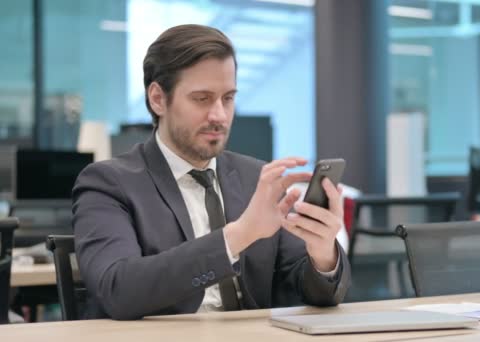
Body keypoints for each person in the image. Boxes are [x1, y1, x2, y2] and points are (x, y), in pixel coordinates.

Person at [72, 24, 351, 320]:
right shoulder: (108, 183)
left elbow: (314, 291)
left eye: (228, 98)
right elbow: (118, 291)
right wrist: (239, 235)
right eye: (201, 98)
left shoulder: (256, 178)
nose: (219, 115)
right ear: (157, 99)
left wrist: (322, 255)